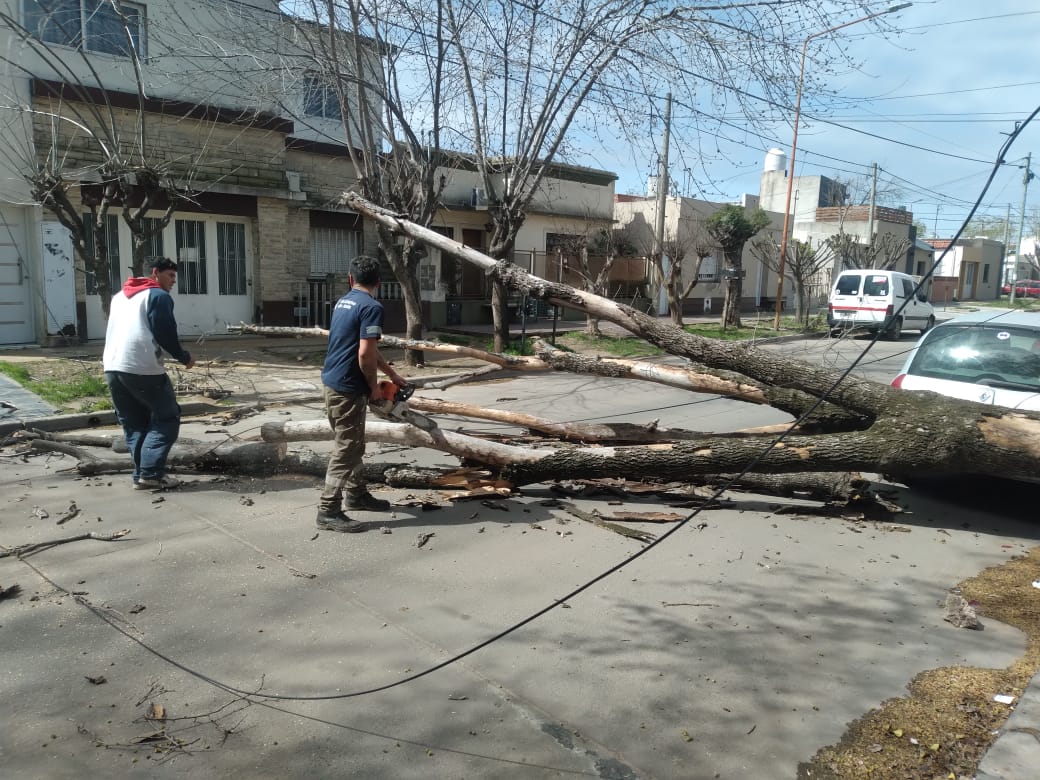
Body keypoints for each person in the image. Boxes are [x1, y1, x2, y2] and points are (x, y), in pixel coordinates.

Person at [318, 255, 407, 533]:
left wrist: (391, 375)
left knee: (353, 443)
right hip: (348, 387)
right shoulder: (372, 307)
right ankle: (328, 510)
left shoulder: (344, 302)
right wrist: (372, 388)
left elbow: (368, 347)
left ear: (350, 279)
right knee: (347, 447)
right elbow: (364, 354)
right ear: (379, 282)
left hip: (333, 381)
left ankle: (356, 495)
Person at [102, 258, 195, 490]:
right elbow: (165, 332)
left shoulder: (119, 296)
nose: (174, 281)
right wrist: (183, 357)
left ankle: (141, 476)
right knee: (167, 417)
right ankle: (151, 473)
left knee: (135, 423)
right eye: (170, 276)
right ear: (155, 273)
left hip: (113, 367)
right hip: (142, 367)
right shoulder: (158, 296)